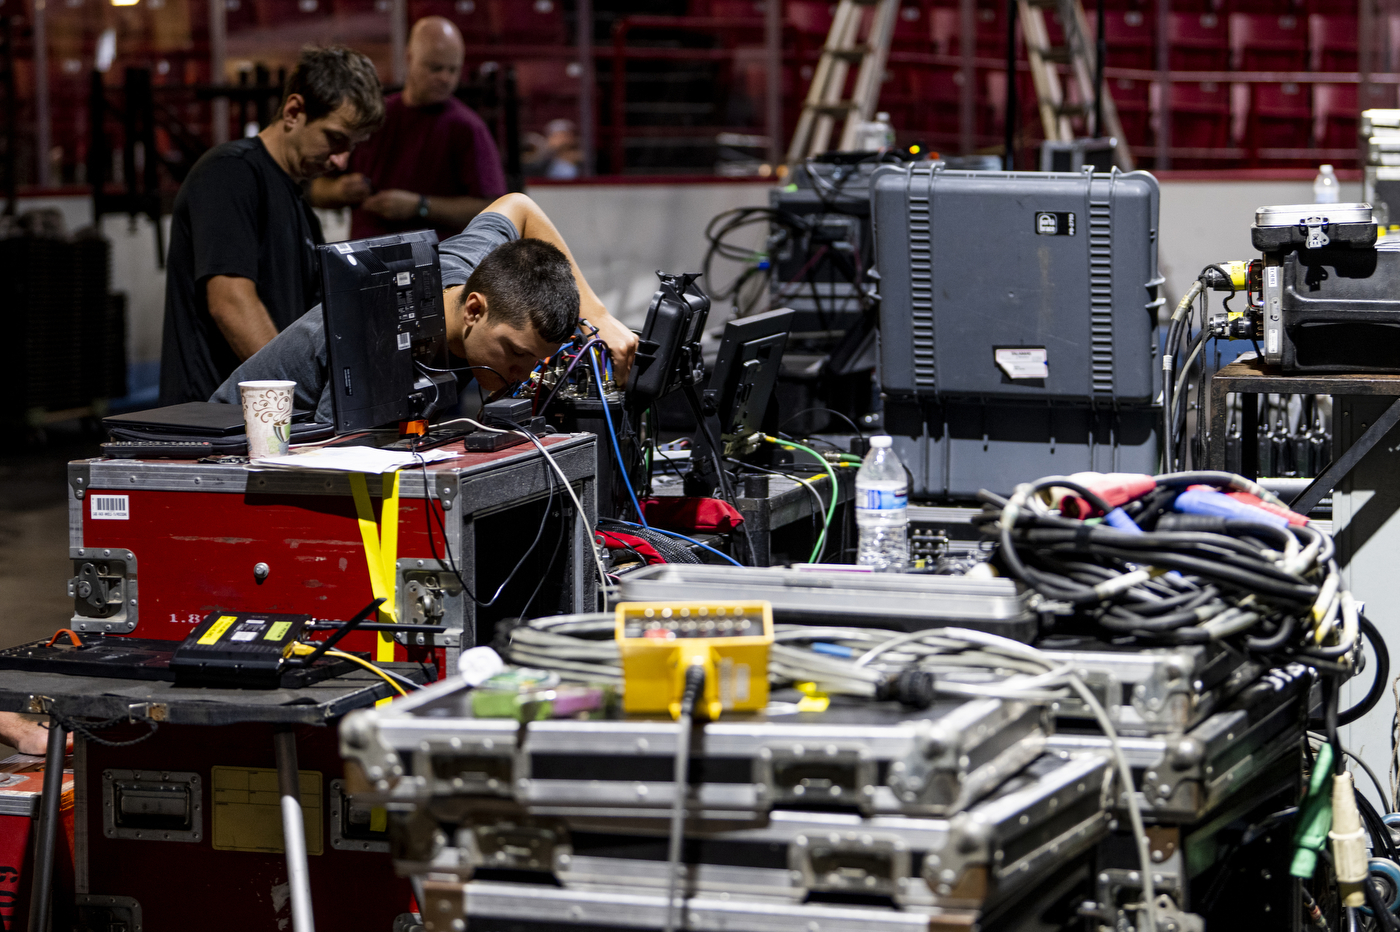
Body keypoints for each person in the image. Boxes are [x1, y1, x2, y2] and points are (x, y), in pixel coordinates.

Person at [211, 193, 640, 419]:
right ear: (474, 309)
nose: (523, 373)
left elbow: (520, 206)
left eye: (535, 360)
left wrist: (598, 316)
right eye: (515, 353)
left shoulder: (475, 266)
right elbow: (337, 459)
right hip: (228, 440)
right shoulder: (387, 342)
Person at [159, 46, 385, 406]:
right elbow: (231, 303)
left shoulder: (299, 205)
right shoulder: (230, 174)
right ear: (294, 111)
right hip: (211, 423)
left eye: (353, 146)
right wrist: (296, 398)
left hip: (265, 420)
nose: (342, 160)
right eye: (336, 138)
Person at [308, 17, 506, 245]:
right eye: (435, 67)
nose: (445, 78)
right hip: (367, 263)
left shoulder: (467, 128)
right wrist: (340, 191)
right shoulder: (373, 117)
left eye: (453, 70)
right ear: (409, 58)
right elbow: (316, 190)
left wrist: (420, 206)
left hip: (438, 266)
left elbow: (492, 210)